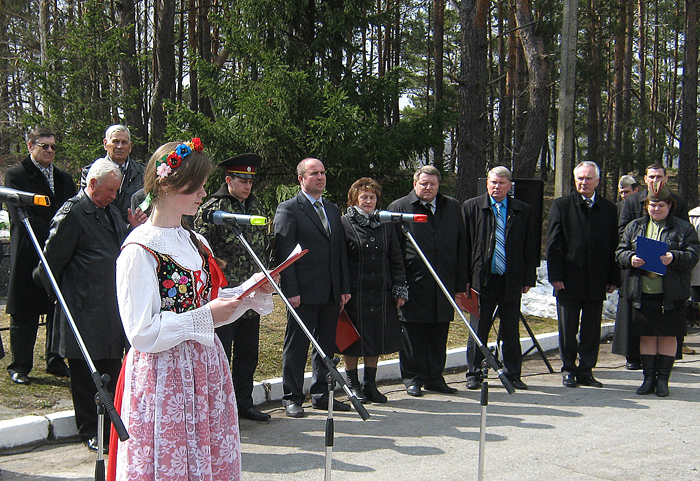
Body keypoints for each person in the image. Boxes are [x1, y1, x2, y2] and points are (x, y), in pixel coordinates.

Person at [108, 139, 274, 480]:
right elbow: (141, 333)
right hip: (164, 374)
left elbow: (208, 302)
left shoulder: (195, 241)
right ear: (167, 184)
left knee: (206, 458)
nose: (203, 193)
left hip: (206, 368)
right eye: (195, 186)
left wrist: (248, 292)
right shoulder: (140, 249)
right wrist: (206, 317)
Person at [36, 158, 128, 452]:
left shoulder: (108, 210)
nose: (115, 195)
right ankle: (90, 429)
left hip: (111, 309)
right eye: (110, 190)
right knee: (86, 376)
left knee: (111, 369)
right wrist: (64, 299)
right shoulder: (73, 213)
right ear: (92, 185)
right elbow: (48, 268)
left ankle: (111, 428)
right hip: (83, 309)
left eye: (117, 190)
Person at [194, 153, 271, 422]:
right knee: (221, 353)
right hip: (225, 294)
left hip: (251, 291)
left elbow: (263, 244)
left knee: (248, 352)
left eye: (251, 180)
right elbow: (199, 245)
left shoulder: (256, 207)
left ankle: (243, 403)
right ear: (228, 180)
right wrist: (213, 260)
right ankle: (219, 408)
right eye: (242, 180)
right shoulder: (213, 209)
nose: (248, 186)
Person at [273, 158, 351, 418]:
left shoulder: (331, 209)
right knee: (297, 346)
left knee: (326, 345)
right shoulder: (289, 209)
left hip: (330, 291)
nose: (320, 177)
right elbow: (285, 254)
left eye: (323, 173)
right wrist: (291, 290)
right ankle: (292, 397)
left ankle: (321, 395)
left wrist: (343, 287)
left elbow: (338, 252)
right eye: (314, 173)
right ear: (301, 179)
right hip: (302, 293)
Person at [388, 165, 468, 397]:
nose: (428, 188)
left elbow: (461, 246)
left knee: (438, 331)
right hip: (413, 282)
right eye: (424, 183)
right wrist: (398, 284)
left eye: (433, 184)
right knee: (413, 332)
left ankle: (435, 377)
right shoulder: (400, 207)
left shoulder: (451, 206)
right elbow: (394, 251)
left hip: (443, 281)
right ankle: (412, 377)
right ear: (415, 183)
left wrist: (460, 284)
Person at [5, 127, 76, 384]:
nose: (49, 151)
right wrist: (56, 231)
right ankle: (20, 365)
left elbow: (71, 211)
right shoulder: (16, 176)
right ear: (30, 146)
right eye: (44, 146)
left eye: (53, 147)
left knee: (55, 309)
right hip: (29, 251)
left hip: (57, 255)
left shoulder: (64, 178)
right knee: (24, 312)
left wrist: (64, 240)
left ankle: (55, 360)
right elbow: (20, 215)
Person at [616, 182, 699, 397]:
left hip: (671, 292)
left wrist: (674, 257)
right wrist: (630, 258)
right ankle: (648, 378)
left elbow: (693, 255)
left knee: (668, 336)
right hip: (643, 291)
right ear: (646, 206)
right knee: (647, 336)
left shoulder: (683, 228)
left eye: (661, 205)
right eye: (652, 205)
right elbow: (620, 252)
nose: (656, 209)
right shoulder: (635, 226)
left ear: (669, 206)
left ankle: (663, 380)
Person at [462, 166, 538, 391]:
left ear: (509, 186)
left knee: (511, 329)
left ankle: (514, 373)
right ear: (487, 183)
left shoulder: (522, 210)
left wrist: (528, 278)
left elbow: (530, 247)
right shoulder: (472, 207)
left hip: (511, 279)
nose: (497, 187)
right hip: (481, 279)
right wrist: (464, 279)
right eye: (493, 182)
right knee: (478, 329)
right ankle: (474, 373)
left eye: (502, 183)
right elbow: (464, 246)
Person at [547, 161, 620, 388]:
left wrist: (613, 277)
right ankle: (568, 369)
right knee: (568, 329)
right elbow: (554, 244)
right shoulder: (562, 205)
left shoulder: (608, 209)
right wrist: (555, 276)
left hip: (597, 279)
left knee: (591, 329)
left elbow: (613, 245)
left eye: (588, 178)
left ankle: (586, 370)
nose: (584, 182)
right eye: (580, 178)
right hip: (568, 279)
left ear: (597, 181)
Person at [340, 178, 407, 403]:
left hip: (380, 291)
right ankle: (353, 384)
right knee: (354, 340)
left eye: (372, 197)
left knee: (375, 337)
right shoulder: (344, 223)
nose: (368, 201)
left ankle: (370, 384)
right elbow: (339, 259)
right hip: (354, 292)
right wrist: (342, 289)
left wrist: (399, 287)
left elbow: (396, 258)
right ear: (354, 199)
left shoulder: (386, 224)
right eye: (364, 197)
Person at [80, 124, 147, 227]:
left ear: (130, 147)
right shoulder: (90, 172)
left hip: (135, 233)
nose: (120, 146)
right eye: (115, 141)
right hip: (102, 232)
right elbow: (88, 206)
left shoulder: (143, 173)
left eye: (124, 142)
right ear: (105, 144)